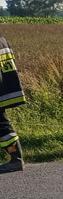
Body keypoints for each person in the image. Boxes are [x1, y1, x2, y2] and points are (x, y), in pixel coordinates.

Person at [0, 37, 25, 174]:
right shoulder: (2, 39)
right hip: (5, 87)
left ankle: (16, 160)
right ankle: (16, 159)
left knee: (2, 125)